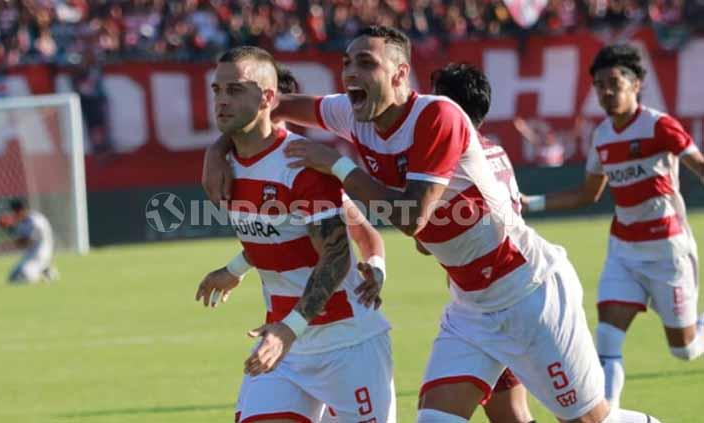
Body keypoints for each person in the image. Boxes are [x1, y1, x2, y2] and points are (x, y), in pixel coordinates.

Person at [204, 26, 659, 423]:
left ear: (401, 75)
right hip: (470, 306)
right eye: (346, 64)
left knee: (589, 421)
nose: (350, 75)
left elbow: (409, 218)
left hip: (528, 291)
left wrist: (338, 167)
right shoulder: (352, 112)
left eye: (366, 63)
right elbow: (264, 105)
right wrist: (218, 150)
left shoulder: (437, 116)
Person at [194, 46, 396, 423]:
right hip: (283, 342)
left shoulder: (302, 165)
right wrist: (235, 268)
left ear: (268, 98)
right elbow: (277, 234)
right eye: (217, 91)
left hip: (347, 343)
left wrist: (290, 330)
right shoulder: (223, 167)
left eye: (234, 90)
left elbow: (336, 257)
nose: (221, 101)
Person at [522, 43, 704, 410]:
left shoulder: (659, 126)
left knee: (684, 350)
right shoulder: (602, 135)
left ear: (636, 85)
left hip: (668, 251)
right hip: (623, 252)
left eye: (614, 83)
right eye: (599, 85)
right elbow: (589, 193)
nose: (605, 92)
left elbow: (698, 165)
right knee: (606, 337)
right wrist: (533, 203)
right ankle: (609, 414)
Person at [428, 62, 534, 423]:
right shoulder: (495, 150)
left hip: (495, 303)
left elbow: (423, 241)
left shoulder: (453, 163)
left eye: (433, 100)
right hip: (492, 297)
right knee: (512, 416)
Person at [1, 199, 57, 284]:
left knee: (23, 277)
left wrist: (12, 230)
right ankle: (45, 269)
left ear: (21, 210)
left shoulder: (36, 220)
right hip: (30, 255)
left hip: (41, 253)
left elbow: (28, 241)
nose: (13, 215)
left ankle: (46, 271)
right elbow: (20, 242)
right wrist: (9, 229)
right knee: (13, 277)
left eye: (15, 212)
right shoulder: (22, 222)